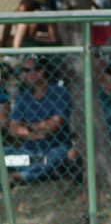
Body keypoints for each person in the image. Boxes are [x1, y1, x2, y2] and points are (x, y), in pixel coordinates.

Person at [6, 56, 73, 185]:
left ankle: (23, 176)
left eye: (27, 70)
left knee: (58, 156)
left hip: (53, 147)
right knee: (5, 153)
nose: (24, 74)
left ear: (41, 71)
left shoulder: (59, 92)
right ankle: (41, 172)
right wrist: (35, 132)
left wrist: (27, 127)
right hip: (28, 153)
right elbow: (13, 129)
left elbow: (54, 125)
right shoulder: (24, 96)